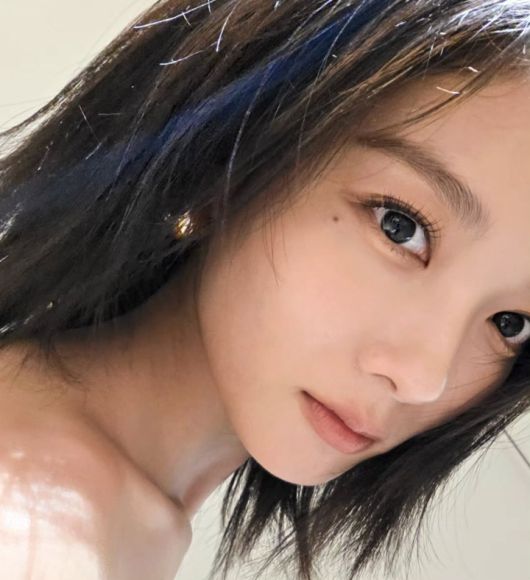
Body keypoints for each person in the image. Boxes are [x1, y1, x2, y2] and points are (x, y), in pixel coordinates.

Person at [0, 0, 529, 578]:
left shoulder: (128, 508)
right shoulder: (38, 525)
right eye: (399, 227)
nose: (424, 379)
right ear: (230, 150)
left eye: (511, 323)